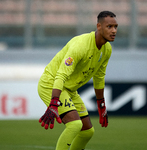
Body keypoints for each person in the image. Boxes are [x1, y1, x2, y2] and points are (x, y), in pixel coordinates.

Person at [38, 11, 118, 150]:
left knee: (87, 131)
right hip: (51, 84)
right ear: (99, 26)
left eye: (116, 27)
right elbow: (61, 75)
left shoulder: (107, 50)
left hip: (69, 89)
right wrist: (54, 103)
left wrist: (101, 105)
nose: (114, 31)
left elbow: (99, 77)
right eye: (109, 26)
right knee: (75, 124)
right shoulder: (81, 45)